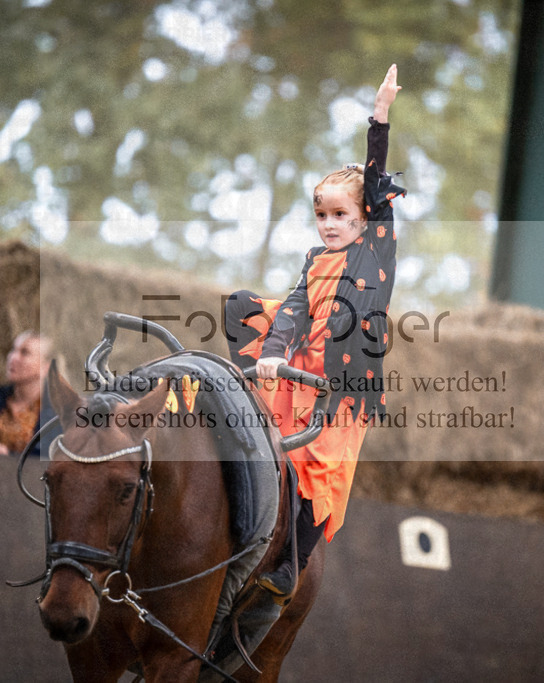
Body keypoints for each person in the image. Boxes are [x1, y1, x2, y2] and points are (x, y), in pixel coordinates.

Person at [224, 64, 404, 597]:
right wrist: (272, 352)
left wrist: (381, 117)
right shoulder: (313, 257)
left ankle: (290, 563)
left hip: (344, 380)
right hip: (300, 366)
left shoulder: (376, 250)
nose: (329, 224)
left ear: (363, 219)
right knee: (242, 306)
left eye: (340, 214)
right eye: (321, 214)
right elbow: (296, 308)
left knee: (316, 469)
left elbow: (374, 183)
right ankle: (247, 391)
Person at [0, 331, 60, 457]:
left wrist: (10, 458)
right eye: (13, 350)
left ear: (46, 367)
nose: (12, 357)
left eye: (25, 353)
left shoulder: (57, 413)